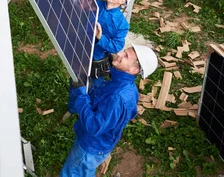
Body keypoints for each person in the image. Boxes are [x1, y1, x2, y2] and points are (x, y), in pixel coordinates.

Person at [61, 44, 158, 177]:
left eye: (126, 56)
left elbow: (94, 127)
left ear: (134, 69)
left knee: (75, 172)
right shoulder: (127, 86)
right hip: (102, 141)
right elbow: (130, 112)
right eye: (124, 52)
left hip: (91, 146)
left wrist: (81, 95)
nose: (119, 54)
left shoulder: (118, 97)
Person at [90, 0, 133, 84]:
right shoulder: (95, 4)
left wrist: (100, 37)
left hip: (97, 58)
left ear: (122, 1)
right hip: (79, 47)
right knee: (76, 81)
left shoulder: (122, 24)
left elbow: (117, 46)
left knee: (94, 87)